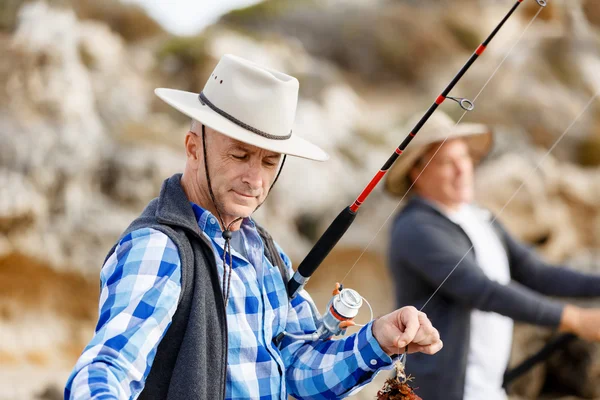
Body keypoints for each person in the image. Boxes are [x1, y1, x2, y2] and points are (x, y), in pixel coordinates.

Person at [64, 54, 443, 400]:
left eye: (268, 161)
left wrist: (379, 338)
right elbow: (106, 369)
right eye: (240, 155)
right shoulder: (159, 247)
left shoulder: (263, 249)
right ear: (193, 147)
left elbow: (296, 365)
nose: (254, 179)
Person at [384, 110, 600, 400]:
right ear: (416, 172)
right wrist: (576, 319)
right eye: (449, 162)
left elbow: (538, 274)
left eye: (465, 159)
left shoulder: (479, 218)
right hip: (442, 392)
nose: (463, 169)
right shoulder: (415, 229)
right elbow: (481, 290)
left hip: (489, 389)